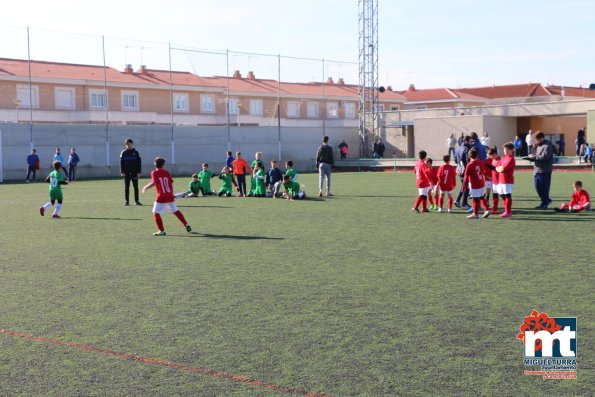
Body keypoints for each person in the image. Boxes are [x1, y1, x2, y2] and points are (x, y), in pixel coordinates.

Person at [142, 157, 191, 236]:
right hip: (169, 195)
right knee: (176, 211)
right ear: (163, 165)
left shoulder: (154, 172)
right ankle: (186, 224)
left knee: (156, 213)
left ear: (155, 164)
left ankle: (161, 231)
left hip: (161, 196)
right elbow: (170, 184)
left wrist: (145, 187)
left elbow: (154, 182)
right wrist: (171, 193)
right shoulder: (167, 172)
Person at [527, 131, 555, 209]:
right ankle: (546, 200)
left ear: (542, 138)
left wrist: (534, 157)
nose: (536, 141)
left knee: (544, 188)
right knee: (537, 187)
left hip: (545, 171)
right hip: (537, 170)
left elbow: (545, 156)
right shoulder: (539, 146)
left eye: (537, 140)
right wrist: (532, 156)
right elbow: (538, 155)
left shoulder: (548, 145)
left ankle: (544, 203)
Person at [461, 148, 490, 219]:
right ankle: (486, 210)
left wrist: (463, 186)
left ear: (469, 156)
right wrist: (486, 177)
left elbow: (466, 176)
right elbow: (483, 171)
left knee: (475, 199)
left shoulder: (469, 165)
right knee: (481, 197)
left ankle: (475, 214)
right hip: (481, 182)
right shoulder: (479, 162)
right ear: (477, 155)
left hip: (475, 184)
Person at [495, 142, 516, 218]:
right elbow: (497, 167)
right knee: (502, 195)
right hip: (501, 179)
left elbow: (503, 169)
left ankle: (508, 211)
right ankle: (506, 209)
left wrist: (500, 168)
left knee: (507, 195)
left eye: (507, 149)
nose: (505, 151)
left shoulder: (511, 159)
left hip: (507, 180)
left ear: (511, 150)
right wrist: (499, 168)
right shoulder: (503, 158)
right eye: (504, 149)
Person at [120, 138, 142, 206]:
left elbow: (139, 163)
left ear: (132, 144)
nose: (128, 146)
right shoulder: (123, 152)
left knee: (136, 187)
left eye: (129, 144)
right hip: (126, 173)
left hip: (134, 173)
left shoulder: (136, 153)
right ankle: (127, 202)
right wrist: (122, 172)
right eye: (127, 144)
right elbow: (121, 163)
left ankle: (137, 201)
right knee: (126, 187)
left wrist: (139, 172)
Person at [454, 135, 472, 209]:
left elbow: (455, 160)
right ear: (466, 141)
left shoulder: (458, 148)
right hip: (465, 170)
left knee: (464, 185)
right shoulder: (467, 149)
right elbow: (468, 161)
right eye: (470, 141)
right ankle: (464, 203)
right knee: (466, 187)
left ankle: (457, 200)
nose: (471, 143)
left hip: (459, 169)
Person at [487, 147, 501, 213]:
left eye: (491, 155)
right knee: (495, 195)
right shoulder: (493, 160)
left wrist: (494, 168)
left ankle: (507, 209)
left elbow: (501, 169)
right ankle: (495, 208)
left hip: (500, 181)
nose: (490, 157)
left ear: (495, 154)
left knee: (503, 195)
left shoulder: (501, 160)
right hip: (494, 180)